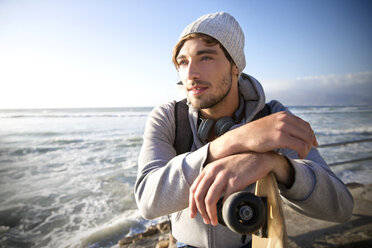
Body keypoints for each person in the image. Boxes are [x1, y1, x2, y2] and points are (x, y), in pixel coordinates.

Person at [134, 12, 353, 248]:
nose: (190, 74)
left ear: (235, 65)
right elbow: (147, 201)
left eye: (205, 58)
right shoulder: (168, 117)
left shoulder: (270, 117)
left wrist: (276, 164)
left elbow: (341, 207)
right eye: (183, 62)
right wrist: (233, 141)